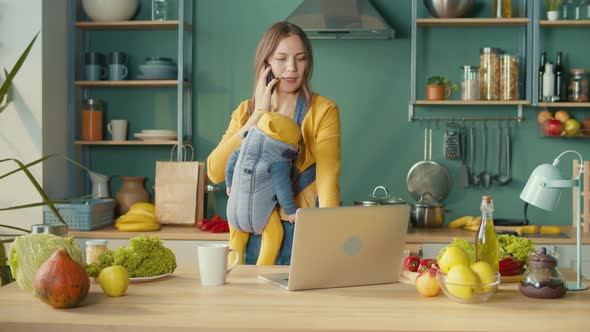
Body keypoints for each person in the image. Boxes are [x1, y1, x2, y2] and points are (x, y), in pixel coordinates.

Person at [207, 21, 341, 265]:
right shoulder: (244, 112)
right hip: (248, 237)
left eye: (300, 59)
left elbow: (327, 177)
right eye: (281, 59)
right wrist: (258, 115)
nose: (292, 68)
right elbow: (215, 171)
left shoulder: (323, 110)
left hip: (300, 232)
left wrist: (327, 233)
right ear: (266, 63)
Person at [225, 112, 300, 265]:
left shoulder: (244, 147)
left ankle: (234, 269)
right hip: (261, 214)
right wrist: (291, 211)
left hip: (233, 211)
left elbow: (230, 162)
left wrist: (229, 183)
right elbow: (282, 187)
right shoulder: (278, 158)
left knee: (236, 239)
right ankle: (262, 268)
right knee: (275, 235)